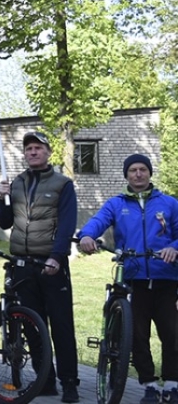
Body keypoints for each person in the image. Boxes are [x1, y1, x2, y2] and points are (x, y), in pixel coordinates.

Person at [77, 153, 178, 403]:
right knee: (137, 335)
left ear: (150, 172)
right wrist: (86, 236)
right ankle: (149, 385)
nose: (138, 174)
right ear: (126, 174)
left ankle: (173, 384)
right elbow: (98, 221)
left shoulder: (169, 203)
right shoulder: (116, 203)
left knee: (173, 333)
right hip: (134, 279)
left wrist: (174, 247)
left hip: (166, 278)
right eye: (132, 170)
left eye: (143, 169)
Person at [0, 131, 79, 402]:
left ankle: (69, 382)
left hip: (51, 264)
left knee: (61, 325)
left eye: (38, 148)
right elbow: (6, 222)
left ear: (48, 152)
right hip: (23, 264)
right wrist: (3, 197)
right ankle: (45, 379)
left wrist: (57, 256)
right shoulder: (17, 183)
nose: (33, 152)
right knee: (32, 324)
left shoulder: (62, 184)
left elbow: (67, 224)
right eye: (29, 148)